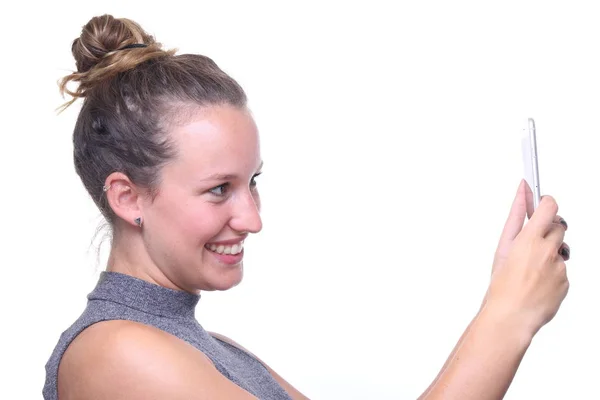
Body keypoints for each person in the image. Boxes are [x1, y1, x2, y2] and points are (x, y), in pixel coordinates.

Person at [43, 14, 571, 400]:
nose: (252, 218)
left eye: (253, 182)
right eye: (219, 189)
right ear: (128, 197)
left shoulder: (207, 349)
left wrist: (505, 295)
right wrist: (508, 316)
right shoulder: (116, 354)